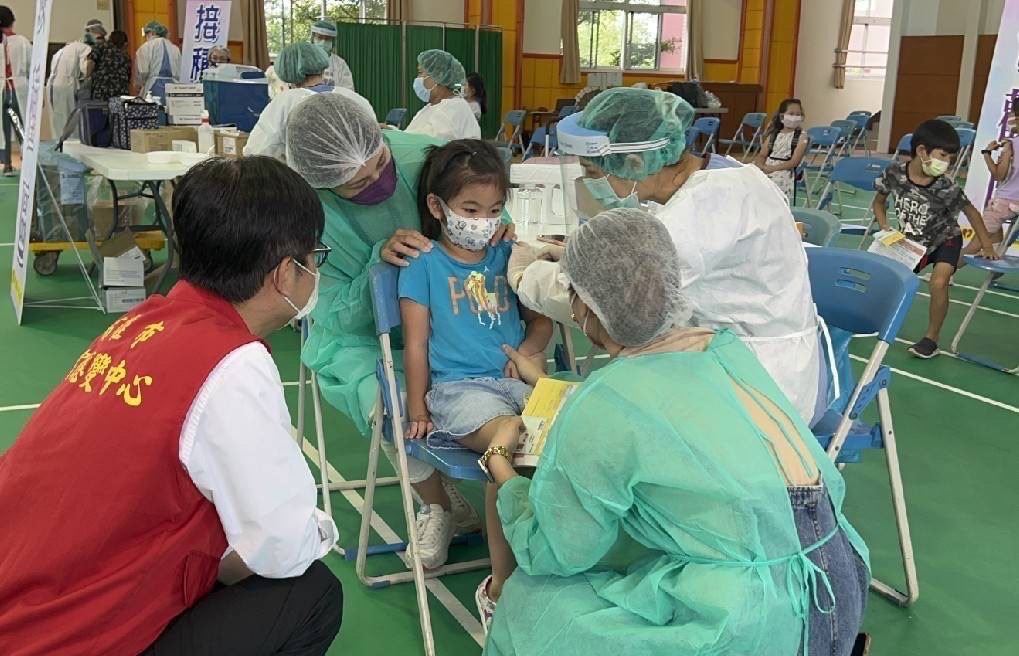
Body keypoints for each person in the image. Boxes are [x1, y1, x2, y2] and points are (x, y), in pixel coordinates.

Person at [481, 208, 870, 656]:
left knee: (534, 602)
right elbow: (665, 411)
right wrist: (555, 389)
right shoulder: (725, 350)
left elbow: (557, 550)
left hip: (753, 621)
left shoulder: (607, 403)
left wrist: (499, 467)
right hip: (838, 576)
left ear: (585, 304)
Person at [0, 156, 343, 655]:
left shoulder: (141, 322)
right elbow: (282, 546)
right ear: (286, 273)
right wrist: (318, 528)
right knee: (311, 594)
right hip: (62, 638)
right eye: (316, 257)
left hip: (21, 602)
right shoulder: (232, 362)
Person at [510, 87, 828, 426]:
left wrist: (523, 274)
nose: (589, 185)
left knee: (596, 421)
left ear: (635, 163)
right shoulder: (714, 177)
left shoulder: (708, 205)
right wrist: (573, 255)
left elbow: (615, 303)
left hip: (756, 387)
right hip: (721, 360)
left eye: (591, 172)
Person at [285, 93, 516, 555]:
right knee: (389, 397)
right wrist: (380, 268)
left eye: (378, 164)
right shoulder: (309, 215)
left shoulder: (422, 157)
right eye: (356, 185)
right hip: (356, 332)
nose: (376, 183)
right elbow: (328, 308)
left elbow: (482, 201)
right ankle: (439, 507)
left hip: (455, 320)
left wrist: (498, 225)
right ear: (325, 184)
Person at [400, 140, 552, 569]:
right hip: (459, 391)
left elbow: (541, 322)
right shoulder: (423, 264)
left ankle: (528, 557)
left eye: (494, 209)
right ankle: (502, 581)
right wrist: (417, 408)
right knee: (514, 436)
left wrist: (525, 352)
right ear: (437, 206)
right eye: (470, 210)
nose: (484, 222)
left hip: (514, 382)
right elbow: (415, 343)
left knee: (556, 434)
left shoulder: (508, 255)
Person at [873, 119, 999, 359]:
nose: (947, 163)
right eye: (943, 155)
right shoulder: (894, 173)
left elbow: (971, 212)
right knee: (891, 279)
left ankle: (932, 338)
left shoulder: (945, 186)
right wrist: (884, 227)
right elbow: (879, 202)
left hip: (945, 240)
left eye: (952, 157)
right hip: (911, 243)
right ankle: (872, 318)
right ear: (922, 151)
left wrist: (986, 245)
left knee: (939, 282)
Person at [244, 42, 373, 160]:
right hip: (356, 181)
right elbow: (374, 144)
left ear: (286, 71)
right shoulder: (354, 98)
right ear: (322, 65)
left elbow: (257, 152)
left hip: (300, 183)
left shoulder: (285, 103)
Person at [967, 106, 1019, 262]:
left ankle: (946, 273)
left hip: (1003, 202)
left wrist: (987, 154)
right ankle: (994, 276)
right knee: (999, 245)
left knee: (975, 244)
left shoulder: (1011, 144)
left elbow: (999, 175)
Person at [405, 49, 480, 141]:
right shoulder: (431, 107)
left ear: (438, 77)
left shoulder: (454, 108)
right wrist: (391, 131)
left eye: (420, 73)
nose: (417, 79)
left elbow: (424, 144)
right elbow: (412, 134)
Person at [47, 20, 100, 141]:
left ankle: (58, 144)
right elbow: (85, 69)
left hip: (52, 85)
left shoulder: (64, 49)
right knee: (70, 119)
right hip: (66, 85)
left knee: (57, 119)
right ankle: (71, 147)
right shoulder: (85, 48)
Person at [755, 97, 810, 204]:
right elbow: (762, 154)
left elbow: (794, 162)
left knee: (772, 183)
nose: (795, 117)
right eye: (791, 113)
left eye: (798, 114)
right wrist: (760, 166)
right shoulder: (774, 134)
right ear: (782, 116)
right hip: (766, 166)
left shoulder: (801, 137)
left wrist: (772, 168)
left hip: (784, 170)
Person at [0, 5, 29, 176]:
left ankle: (7, 164)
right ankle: (27, 160)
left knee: (4, 129)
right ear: (12, 21)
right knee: (20, 126)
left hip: (3, 89)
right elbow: (33, 66)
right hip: (19, 88)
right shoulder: (23, 42)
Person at [135, 20, 180, 100]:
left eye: (146, 34)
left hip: (153, 86)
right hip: (173, 87)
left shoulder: (146, 47)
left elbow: (143, 72)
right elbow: (179, 71)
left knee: (155, 110)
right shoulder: (175, 48)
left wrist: (139, 85)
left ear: (151, 33)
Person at [85, 29, 131, 101]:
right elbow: (128, 77)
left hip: (101, 92)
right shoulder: (125, 56)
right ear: (124, 43)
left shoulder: (100, 47)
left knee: (99, 111)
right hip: (120, 94)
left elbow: (90, 63)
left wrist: (86, 77)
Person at [310, 19, 355, 91]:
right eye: (319, 37)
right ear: (312, 39)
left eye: (327, 39)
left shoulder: (340, 64)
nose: (323, 42)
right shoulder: (304, 61)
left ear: (333, 42)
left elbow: (348, 91)